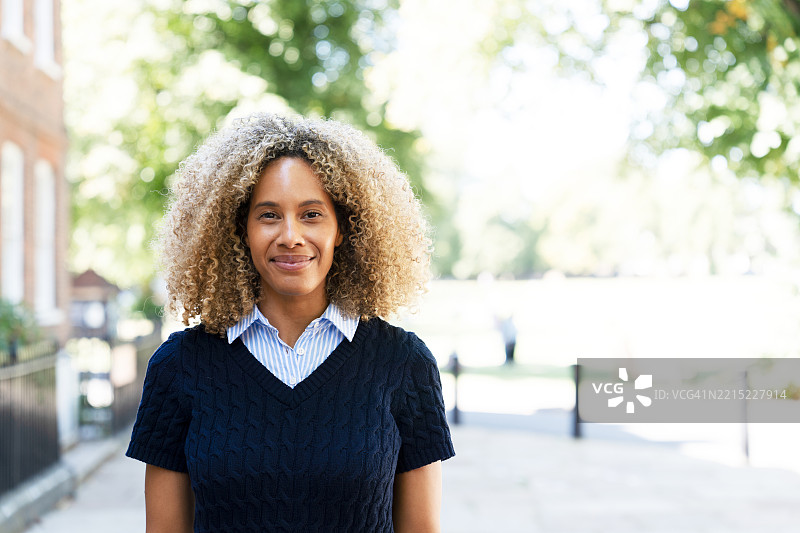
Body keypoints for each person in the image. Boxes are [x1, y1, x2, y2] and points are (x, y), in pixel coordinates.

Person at [126, 113, 455, 532]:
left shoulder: (403, 363)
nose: (290, 236)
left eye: (312, 214)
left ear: (343, 229)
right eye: (268, 215)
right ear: (239, 230)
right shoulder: (179, 366)